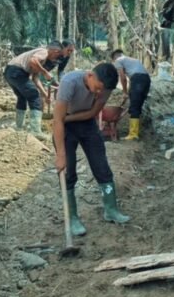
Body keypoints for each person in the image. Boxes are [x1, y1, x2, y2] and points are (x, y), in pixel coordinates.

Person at [52, 63, 130, 235]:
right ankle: (72, 218)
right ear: (89, 76)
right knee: (68, 171)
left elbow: (91, 113)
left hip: (85, 123)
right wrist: (60, 155)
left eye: (103, 91)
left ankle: (111, 210)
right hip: (64, 127)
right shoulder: (69, 83)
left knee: (101, 166)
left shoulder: (105, 87)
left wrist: (67, 118)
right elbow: (57, 121)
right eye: (97, 88)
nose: (99, 93)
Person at [4, 41, 65, 138]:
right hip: (17, 71)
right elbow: (32, 61)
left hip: (9, 72)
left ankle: (19, 126)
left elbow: (35, 79)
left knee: (22, 97)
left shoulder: (41, 61)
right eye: (57, 56)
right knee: (35, 97)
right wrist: (45, 72)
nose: (55, 59)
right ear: (55, 51)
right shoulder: (44, 52)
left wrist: (45, 95)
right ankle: (35, 131)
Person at [110, 50, 151, 141]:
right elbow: (134, 79)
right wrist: (129, 92)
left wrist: (124, 92)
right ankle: (136, 132)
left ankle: (133, 134)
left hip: (137, 80)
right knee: (137, 106)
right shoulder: (132, 60)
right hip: (146, 80)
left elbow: (123, 78)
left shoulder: (118, 60)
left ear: (114, 58)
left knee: (134, 107)